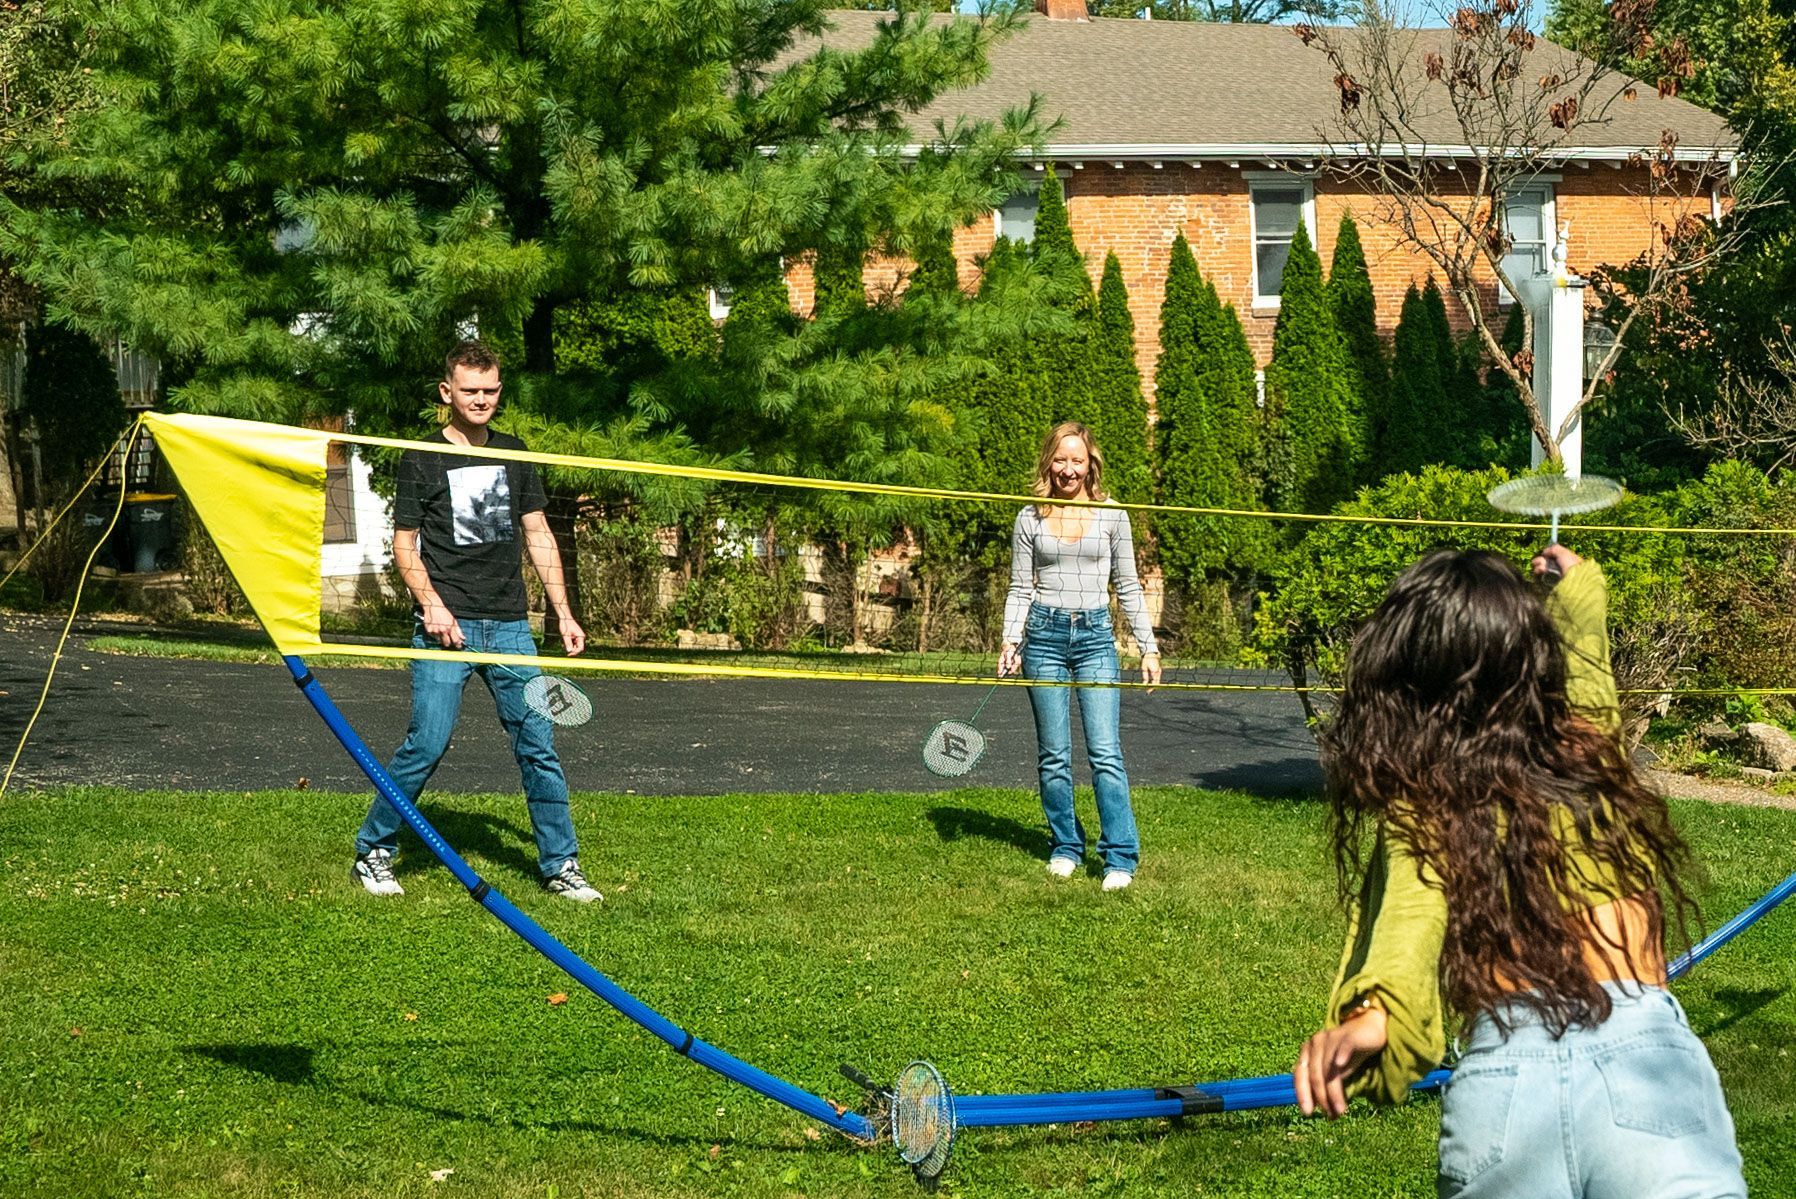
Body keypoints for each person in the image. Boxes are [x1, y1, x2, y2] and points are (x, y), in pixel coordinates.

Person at [1293, 545, 1744, 1198]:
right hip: (1643, 1064)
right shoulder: (1587, 752)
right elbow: (1588, 677)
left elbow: (1408, 919)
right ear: (1533, 659)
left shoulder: (1426, 801)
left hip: (1505, 1086)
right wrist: (1579, 587)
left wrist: (1376, 1014)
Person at [351, 340, 601, 903]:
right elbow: (403, 543)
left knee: (539, 746)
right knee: (427, 743)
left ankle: (562, 865)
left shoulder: (515, 453)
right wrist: (433, 605)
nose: (481, 399)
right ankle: (374, 851)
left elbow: (538, 533)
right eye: (470, 391)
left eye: (490, 390)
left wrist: (561, 612)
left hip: (512, 627)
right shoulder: (419, 457)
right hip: (445, 625)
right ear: (448, 393)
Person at [998, 422, 1162, 892]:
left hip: (1094, 638)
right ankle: (1066, 846)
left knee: (1105, 752)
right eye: (1060, 459)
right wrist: (1011, 641)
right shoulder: (1029, 518)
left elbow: (1128, 586)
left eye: (1078, 460)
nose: (1069, 470)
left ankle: (1120, 857)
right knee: (1053, 756)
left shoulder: (1113, 515)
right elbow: (1020, 587)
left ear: (1091, 464)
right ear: (1048, 461)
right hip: (1043, 638)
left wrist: (1148, 647)